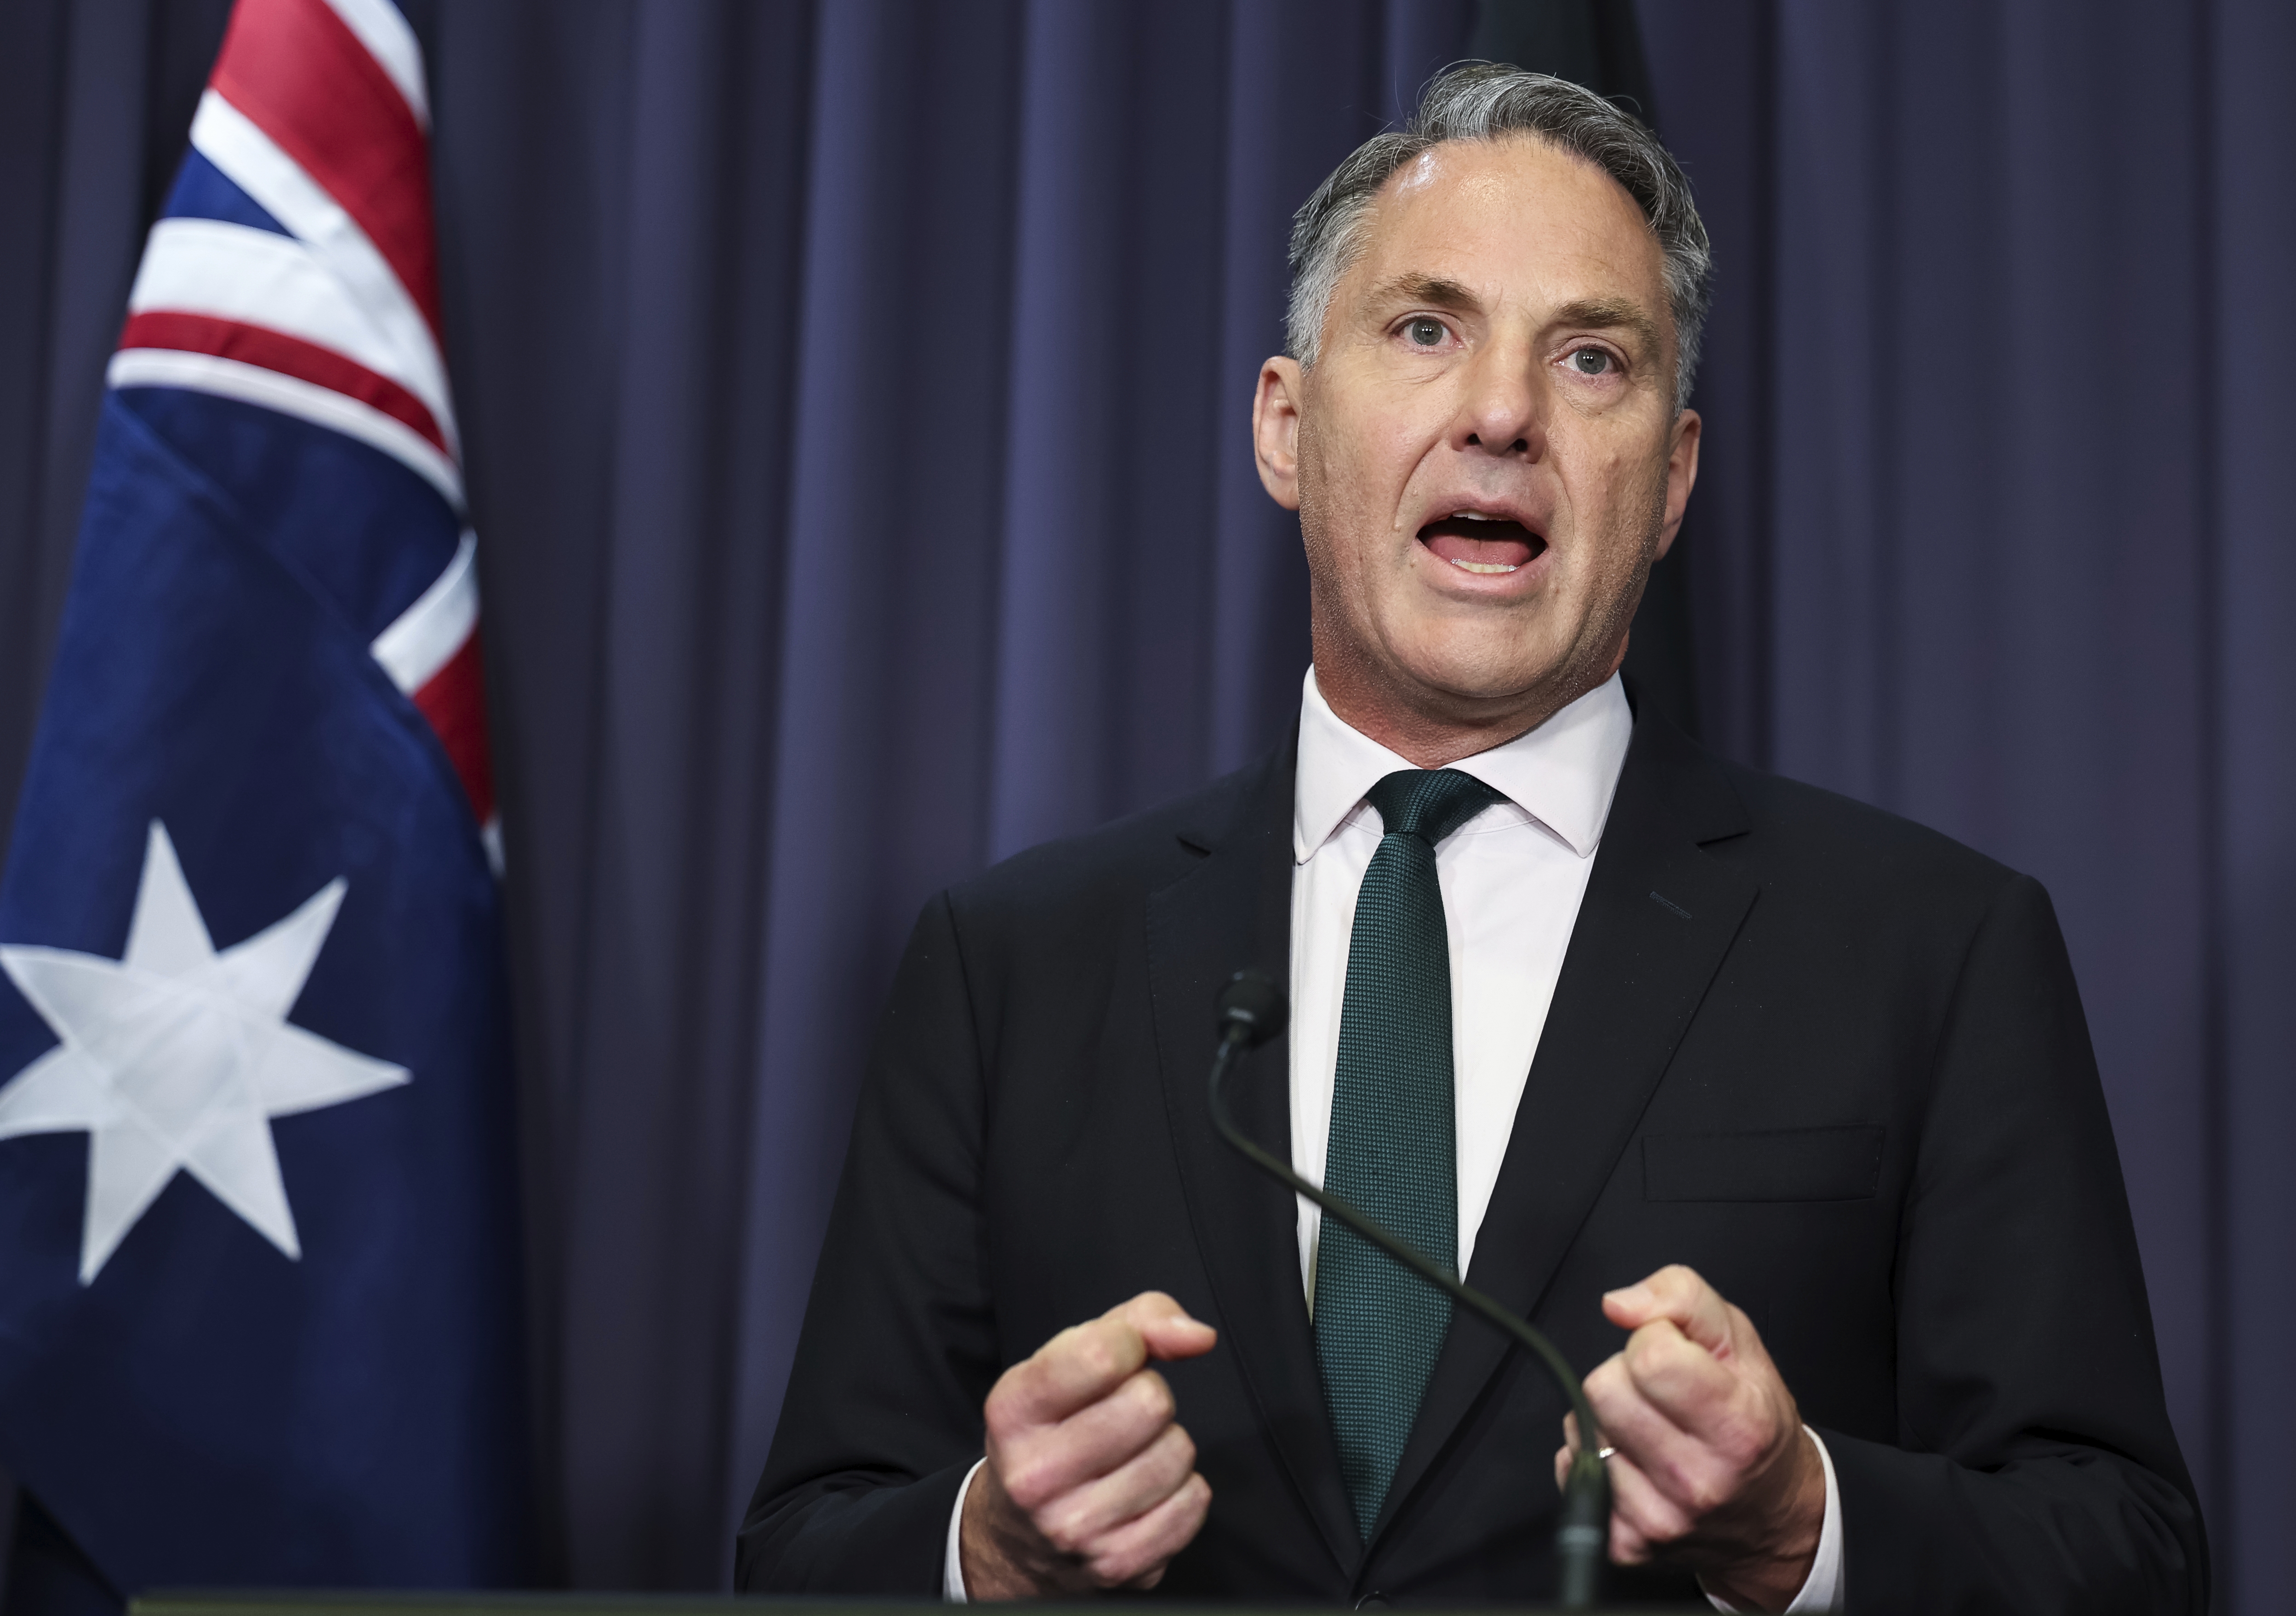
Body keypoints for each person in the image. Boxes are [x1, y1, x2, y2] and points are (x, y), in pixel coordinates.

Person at [738, 64, 2206, 1612]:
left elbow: (2126, 1549)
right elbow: (806, 1550)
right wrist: (986, 1547)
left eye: (1590, 357)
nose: (1503, 411)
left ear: (1675, 480)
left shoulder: (1930, 950)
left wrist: (1804, 1526)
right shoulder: (1012, 965)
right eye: (1427, 329)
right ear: (1288, 428)